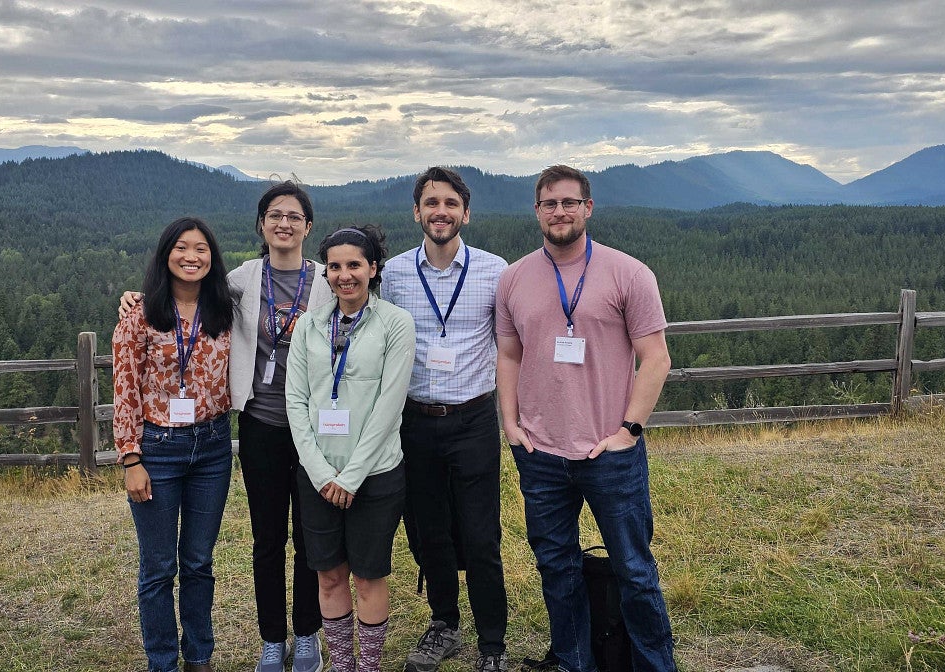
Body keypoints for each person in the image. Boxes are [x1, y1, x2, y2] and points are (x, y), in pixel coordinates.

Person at [121, 182, 333, 672]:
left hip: (316, 428)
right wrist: (134, 297)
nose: (284, 223)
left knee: (309, 538)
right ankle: (270, 642)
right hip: (259, 425)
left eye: (294, 215)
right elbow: (181, 293)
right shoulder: (238, 281)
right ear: (261, 225)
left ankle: (307, 636)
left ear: (308, 226)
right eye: (274, 215)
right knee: (266, 540)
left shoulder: (328, 280)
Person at [495, 165, 677, 672]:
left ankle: (653, 666)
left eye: (569, 202)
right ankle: (576, 663)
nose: (560, 212)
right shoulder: (514, 278)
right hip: (540, 451)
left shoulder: (628, 273)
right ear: (537, 211)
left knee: (634, 570)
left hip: (609, 452)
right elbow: (508, 355)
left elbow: (656, 358)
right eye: (550, 204)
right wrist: (510, 425)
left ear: (588, 208)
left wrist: (629, 431)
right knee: (557, 568)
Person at [382, 167, 510, 672]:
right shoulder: (391, 274)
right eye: (431, 202)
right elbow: (338, 293)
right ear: (416, 212)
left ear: (465, 213)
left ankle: (492, 644)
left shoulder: (495, 272)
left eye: (450, 203)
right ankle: (444, 624)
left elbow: (516, 343)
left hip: (474, 419)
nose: (441, 211)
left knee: (481, 536)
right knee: (428, 530)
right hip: (413, 422)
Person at [286, 225, 415, 672]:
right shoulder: (309, 324)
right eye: (335, 266)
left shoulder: (396, 324)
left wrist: (352, 476)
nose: (345, 275)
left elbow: (389, 406)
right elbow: (296, 401)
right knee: (328, 574)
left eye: (354, 265)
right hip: (318, 476)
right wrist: (321, 474)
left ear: (373, 268)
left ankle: (369, 666)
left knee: (368, 576)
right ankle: (342, 664)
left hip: (376, 475)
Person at [113, 216, 239, 672]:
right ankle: (162, 661)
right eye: (182, 247)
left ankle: (199, 657)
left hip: (212, 447)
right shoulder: (140, 316)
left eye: (202, 248)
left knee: (200, 562)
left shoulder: (226, 310)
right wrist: (131, 458)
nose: (192, 256)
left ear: (213, 257)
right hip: (158, 449)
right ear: (166, 254)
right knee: (159, 566)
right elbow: (124, 389)